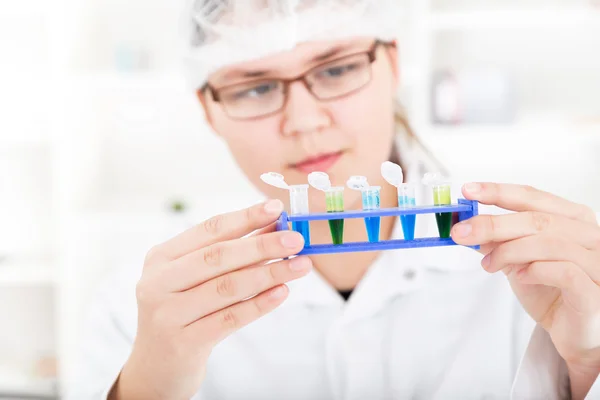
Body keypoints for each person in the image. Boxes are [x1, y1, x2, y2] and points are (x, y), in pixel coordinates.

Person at [68, 1, 600, 399]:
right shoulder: (141, 312)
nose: (303, 121)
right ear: (208, 110)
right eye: (254, 88)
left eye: (336, 68)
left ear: (392, 64)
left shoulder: (543, 276)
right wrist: (147, 386)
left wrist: (589, 358)